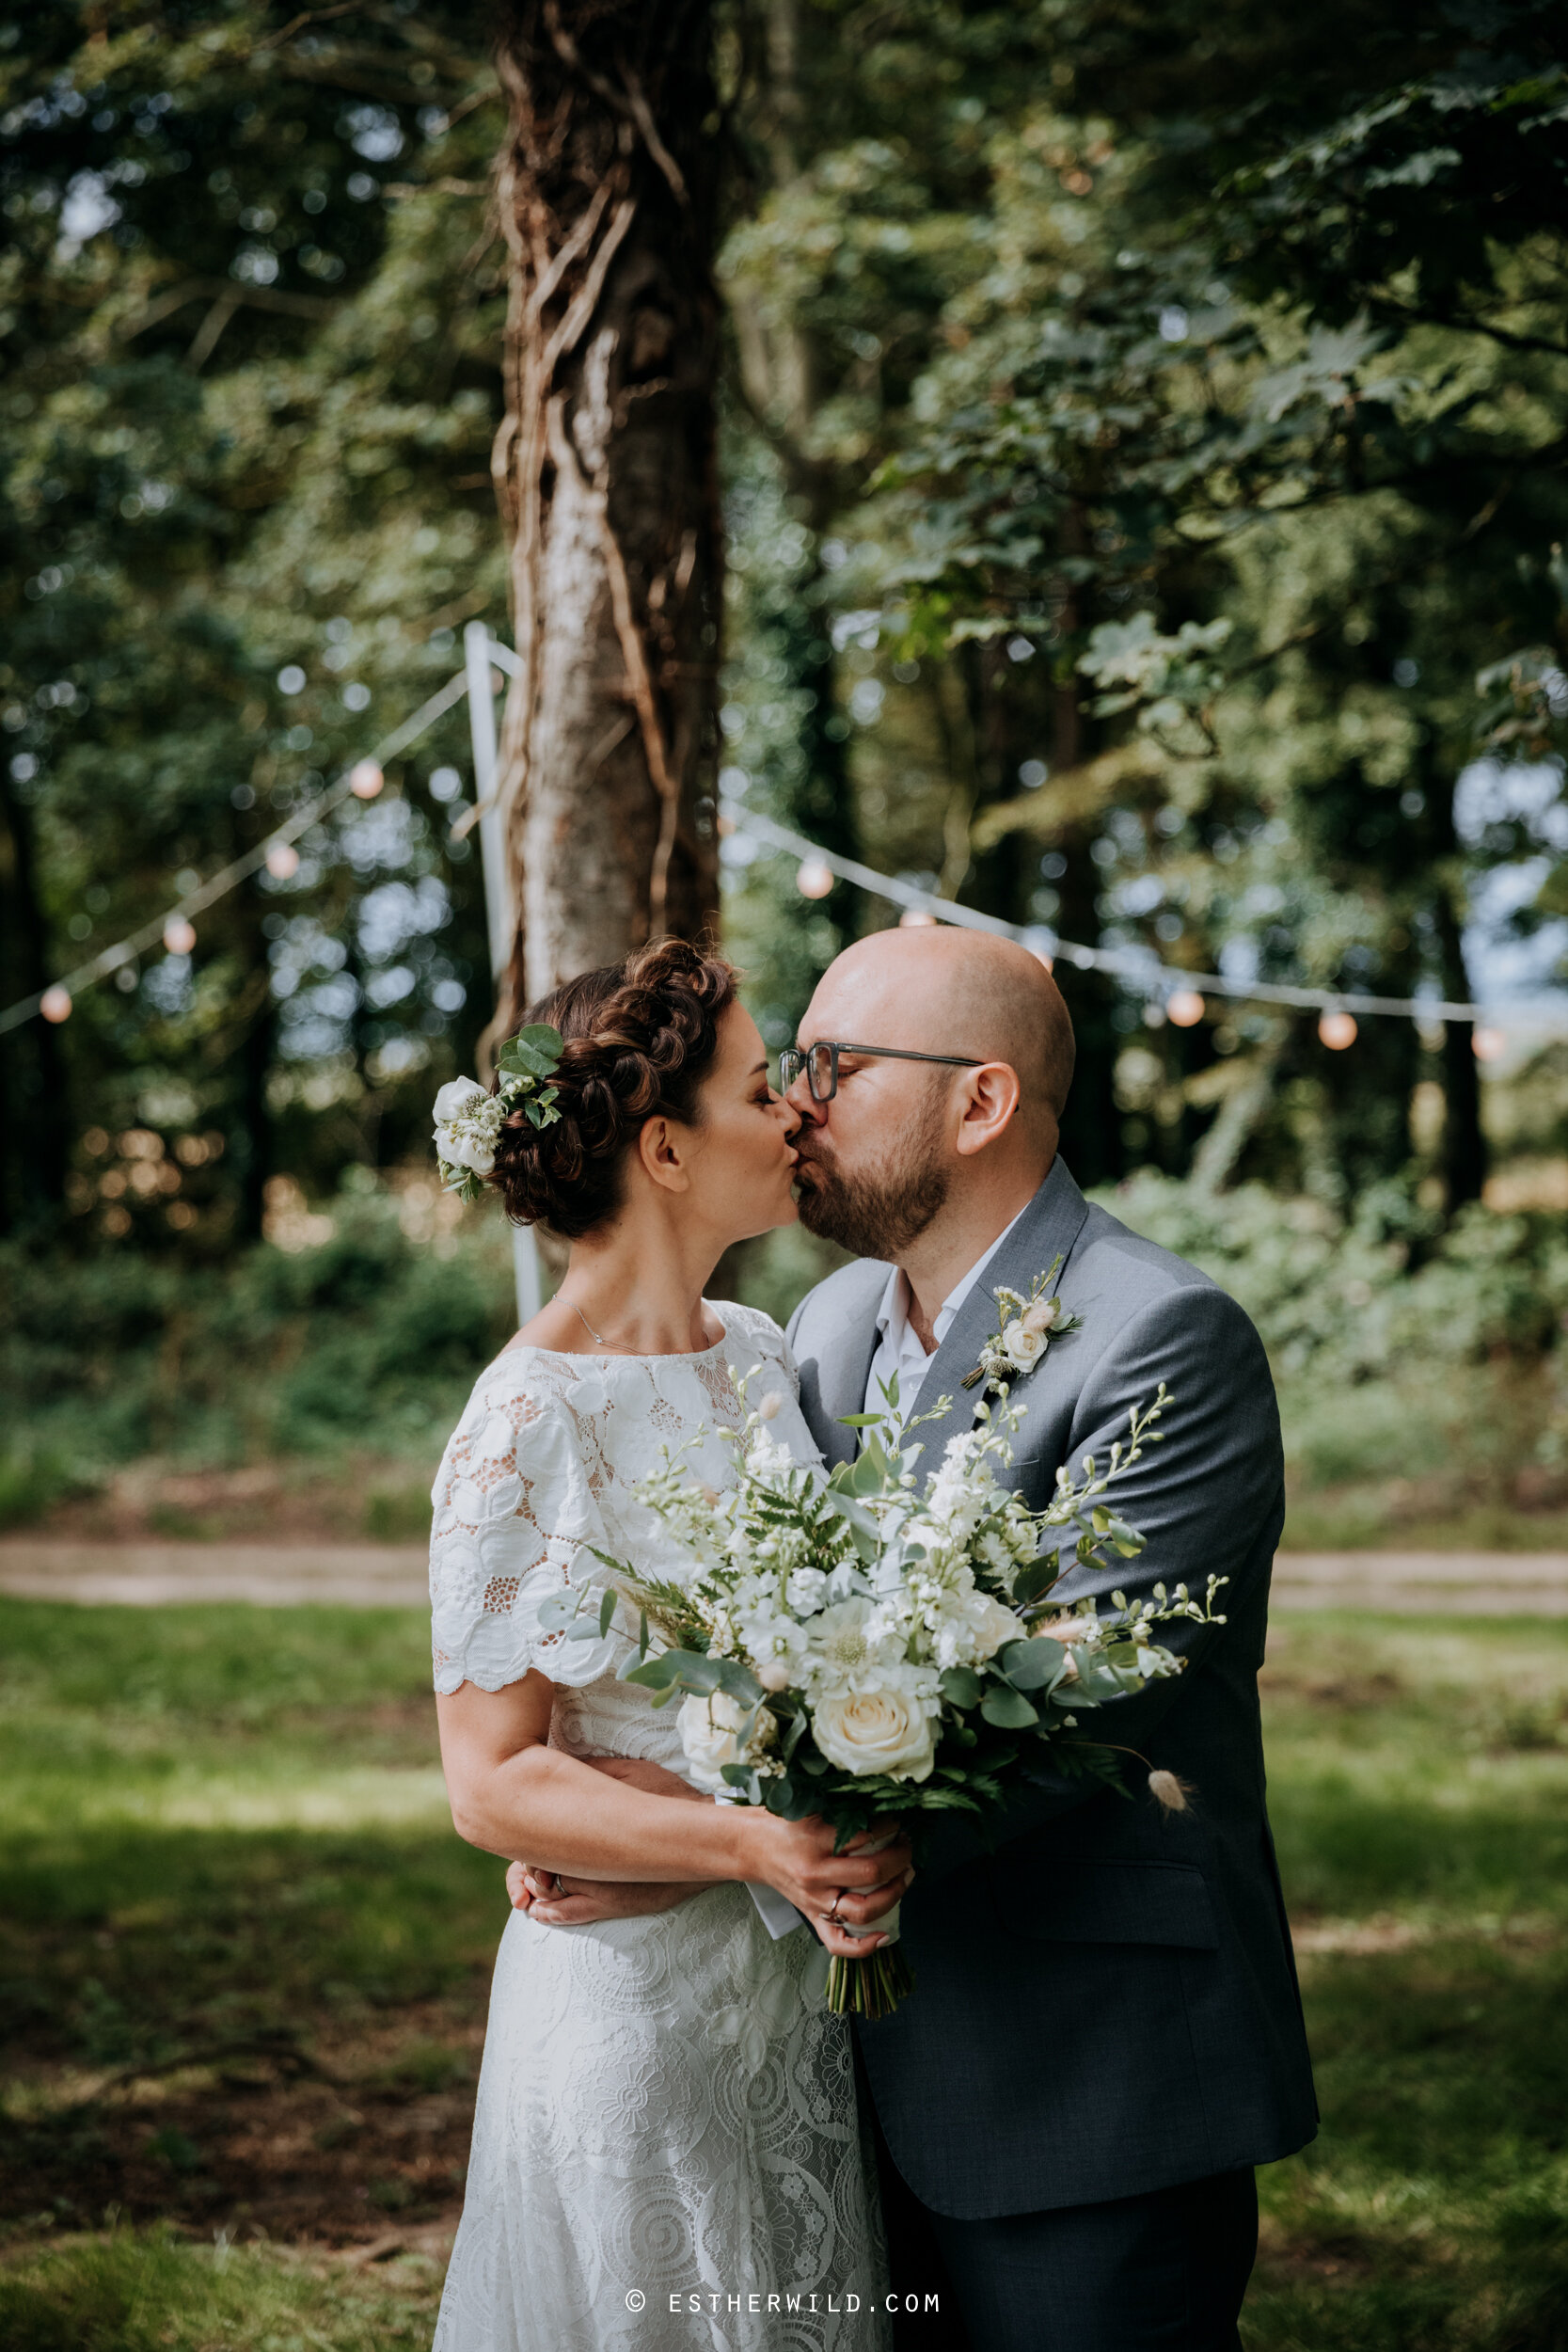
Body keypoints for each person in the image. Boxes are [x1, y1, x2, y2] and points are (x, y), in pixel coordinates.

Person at [518, 923, 1318, 2352]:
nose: (796, 1102)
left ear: (982, 1101)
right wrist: (650, 1819)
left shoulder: (1163, 1336)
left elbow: (1076, 1710)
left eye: (834, 1064)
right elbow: (771, 1638)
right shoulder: (819, 1330)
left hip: (1085, 2071)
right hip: (829, 2077)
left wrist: (723, 1860)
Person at [429, 937, 906, 2352]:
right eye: (765, 1090)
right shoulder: (527, 1422)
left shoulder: (762, 1353)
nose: (798, 1114)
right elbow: (490, 1783)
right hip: (633, 2020)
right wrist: (752, 1844)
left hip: (787, 2003)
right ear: (666, 1150)